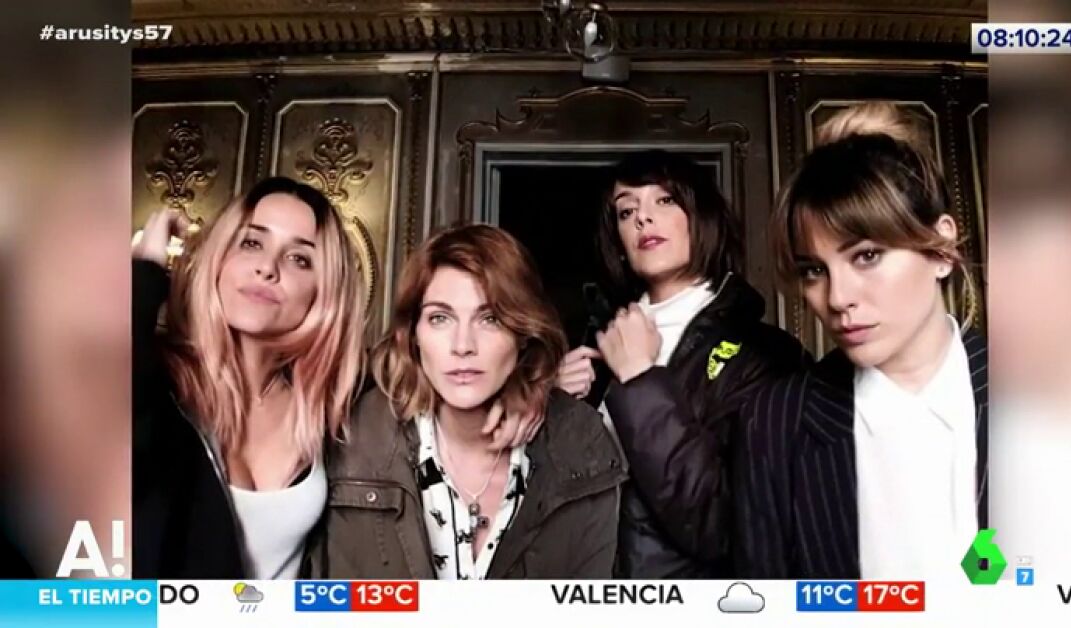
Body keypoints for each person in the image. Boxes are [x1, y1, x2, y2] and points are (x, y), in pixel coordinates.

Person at [731, 103, 988, 579]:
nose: (837, 298)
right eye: (814, 270)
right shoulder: (775, 423)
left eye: (866, 256)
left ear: (941, 249)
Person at [302, 224, 626, 579]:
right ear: (413, 335)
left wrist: (541, 389)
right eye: (440, 318)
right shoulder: (357, 437)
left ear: (523, 334)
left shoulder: (580, 444)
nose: (463, 346)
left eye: (490, 319)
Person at [556, 150, 808, 578]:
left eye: (665, 200)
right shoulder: (594, 345)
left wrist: (639, 381)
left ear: (702, 218)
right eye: (626, 211)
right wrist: (553, 409)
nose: (643, 218)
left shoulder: (763, 353)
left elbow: (723, 526)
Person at [132, 176, 367, 578]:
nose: (267, 268)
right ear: (219, 258)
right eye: (252, 243)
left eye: (300, 259)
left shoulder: (328, 405)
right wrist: (144, 273)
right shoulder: (157, 379)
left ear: (324, 290)